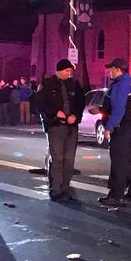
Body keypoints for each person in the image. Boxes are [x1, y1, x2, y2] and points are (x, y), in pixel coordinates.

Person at [35, 60, 85, 201]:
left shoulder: (74, 85)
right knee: (57, 158)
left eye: (70, 71)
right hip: (56, 125)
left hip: (71, 126)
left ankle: (65, 188)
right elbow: (40, 104)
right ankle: (55, 189)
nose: (69, 73)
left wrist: (75, 115)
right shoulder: (47, 84)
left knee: (69, 159)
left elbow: (81, 103)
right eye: (66, 71)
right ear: (58, 71)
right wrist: (55, 113)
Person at [99, 58, 131, 207]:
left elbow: (118, 109)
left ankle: (116, 195)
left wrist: (109, 127)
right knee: (129, 160)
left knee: (118, 161)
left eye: (112, 69)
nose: (110, 71)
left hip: (121, 128)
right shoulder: (130, 82)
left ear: (118, 69)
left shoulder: (120, 85)